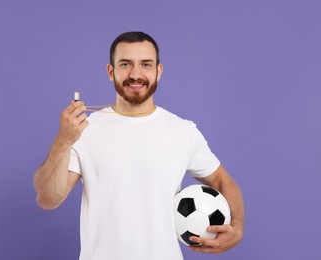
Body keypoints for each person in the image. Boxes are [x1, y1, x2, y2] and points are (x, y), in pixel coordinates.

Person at [33, 31, 244, 259]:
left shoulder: (183, 131)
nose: (135, 74)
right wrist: (63, 140)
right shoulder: (84, 130)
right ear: (110, 71)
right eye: (125, 64)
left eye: (145, 64)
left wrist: (237, 227)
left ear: (158, 71)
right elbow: (47, 199)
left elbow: (223, 180)